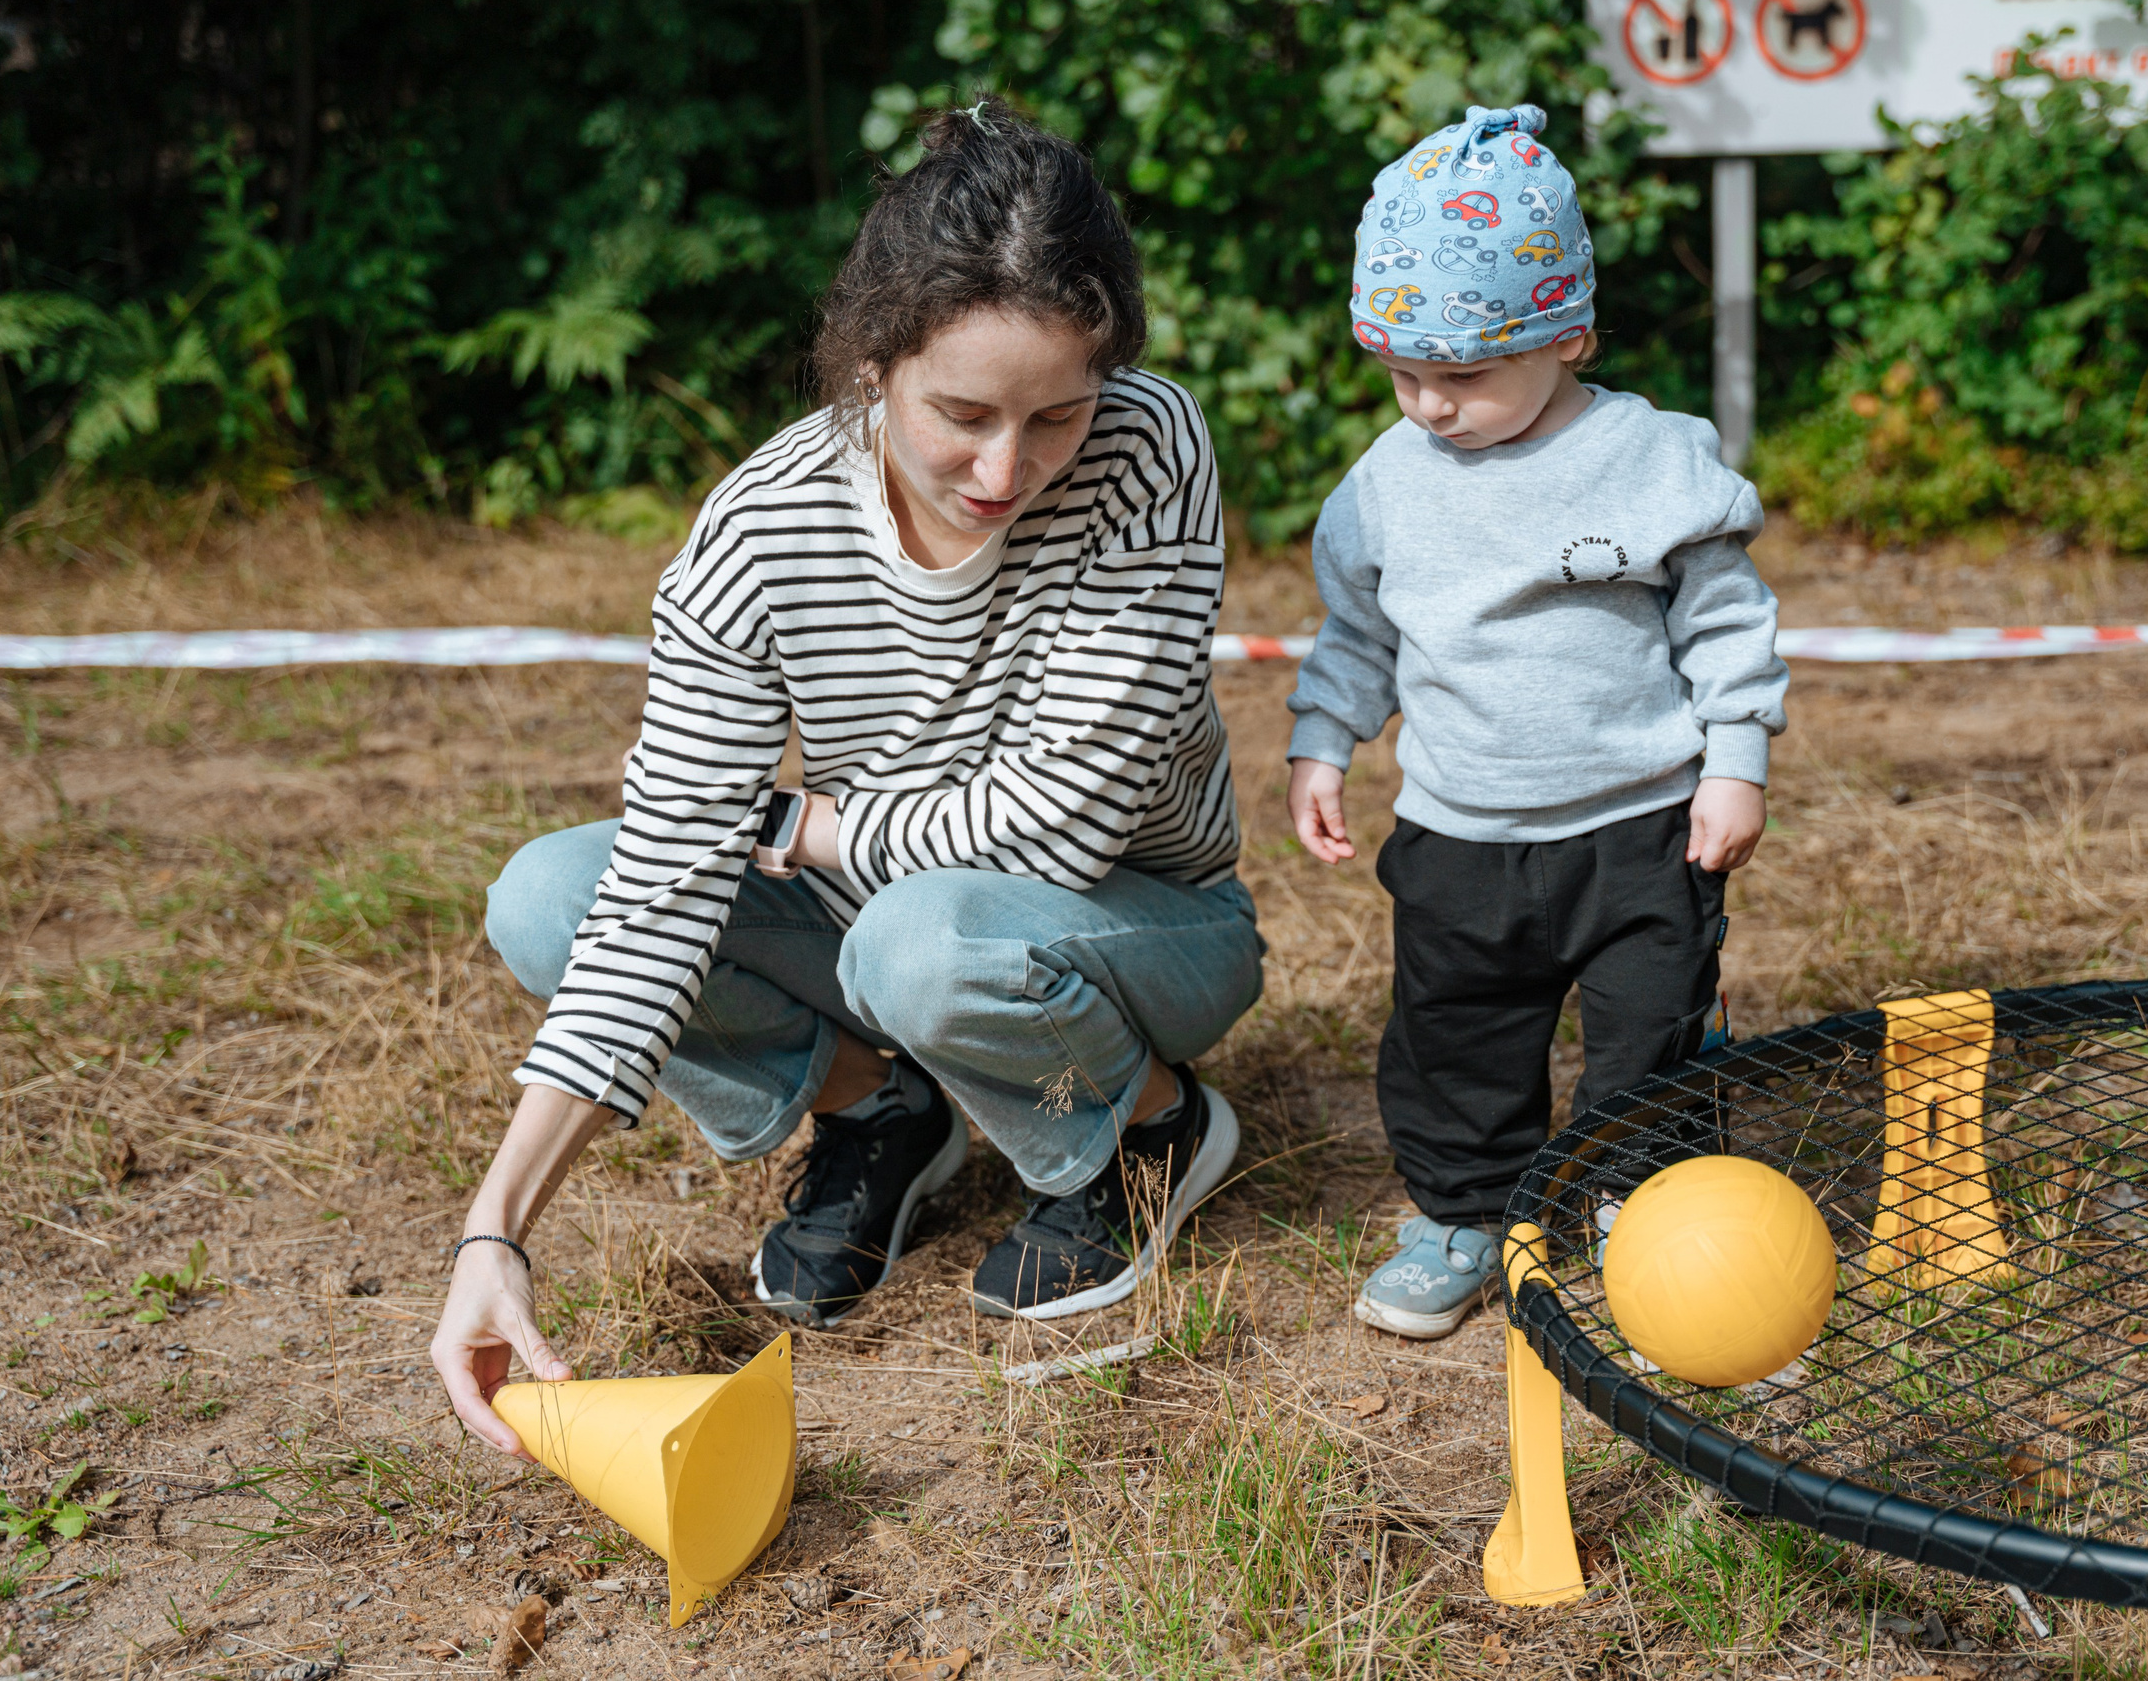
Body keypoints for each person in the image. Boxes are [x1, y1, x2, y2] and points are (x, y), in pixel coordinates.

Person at [431, 100, 1264, 1454]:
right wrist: (496, 1230)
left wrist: (812, 828)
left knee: (921, 940)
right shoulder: (760, 530)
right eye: (962, 414)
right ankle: (881, 1106)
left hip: (1142, 923)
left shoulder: (1149, 447)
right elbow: (656, 895)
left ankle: (1143, 1128)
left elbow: (1065, 828)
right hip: (895, 921)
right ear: (874, 362)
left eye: (1057, 413)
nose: (1006, 467)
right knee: (551, 898)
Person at [1287, 105, 1786, 1341]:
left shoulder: (1651, 459)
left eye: (1463, 376)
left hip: (1643, 826)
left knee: (1652, 1031)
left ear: (1568, 336)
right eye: (1401, 373)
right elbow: (1357, 633)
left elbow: (1725, 621)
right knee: (1454, 1037)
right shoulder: (1385, 486)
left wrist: (1735, 760)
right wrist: (1321, 740)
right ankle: (1463, 1210)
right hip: (1461, 832)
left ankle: (1644, 1202)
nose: (1429, 405)